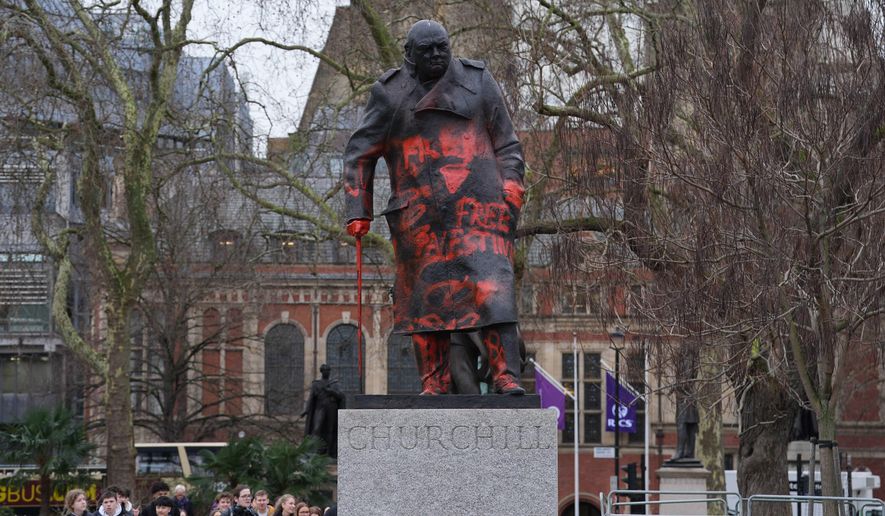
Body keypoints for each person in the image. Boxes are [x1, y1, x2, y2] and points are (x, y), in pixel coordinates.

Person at [344, 19, 526, 395]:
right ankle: (434, 381)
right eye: (426, 50)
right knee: (426, 302)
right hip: (420, 218)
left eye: (441, 46)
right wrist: (357, 209)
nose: (436, 55)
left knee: (493, 291)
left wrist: (511, 191)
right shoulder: (390, 94)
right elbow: (359, 152)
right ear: (409, 55)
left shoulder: (478, 82)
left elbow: (507, 143)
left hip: (480, 212)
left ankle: (506, 375)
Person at [301, 363, 344, 458]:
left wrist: (331, 391)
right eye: (325, 370)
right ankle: (314, 450)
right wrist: (306, 410)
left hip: (331, 408)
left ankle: (329, 452)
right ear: (322, 372)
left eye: (328, 370)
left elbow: (341, 395)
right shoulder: (316, 384)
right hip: (319, 408)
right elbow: (311, 398)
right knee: (316, 429)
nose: (327, 372)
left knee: (330, 430)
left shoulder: (334, 383)